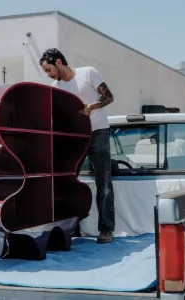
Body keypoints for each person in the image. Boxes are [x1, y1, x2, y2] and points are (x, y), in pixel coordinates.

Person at [39, 48, 115, 244]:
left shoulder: (88, 72)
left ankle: (106, 230)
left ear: (58, 62)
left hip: (98, 132)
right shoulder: (56, 87)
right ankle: (73, 228)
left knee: (103, 182)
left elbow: (109, 97)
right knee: (69, 182)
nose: (49, 75)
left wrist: (91, 107)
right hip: (75, 137)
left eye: (48, 70)